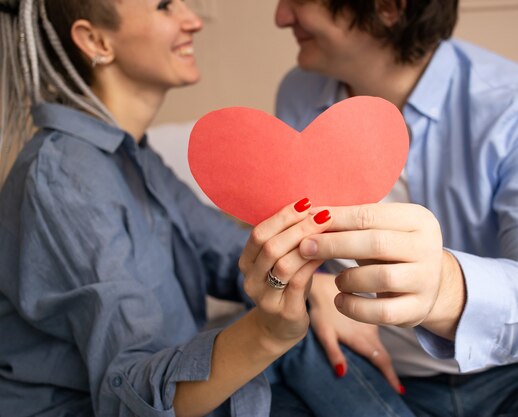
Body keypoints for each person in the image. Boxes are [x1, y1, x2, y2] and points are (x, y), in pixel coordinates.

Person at [268, 0, 518, 416]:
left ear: (387, 7)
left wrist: (443, 289)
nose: (281, 17)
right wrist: (316, 287)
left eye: (298, 0)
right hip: (375, 375)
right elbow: (292, 239)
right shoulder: (299, 93)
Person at [0, 1, 334, 416]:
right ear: (95, 40)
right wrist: (267, 333)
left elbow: (226, 249)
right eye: (163, 6)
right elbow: (131, 392)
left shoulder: (133, 157)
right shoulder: (64, 178)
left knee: (322, 341)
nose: (192, 20)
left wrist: (319, 284)